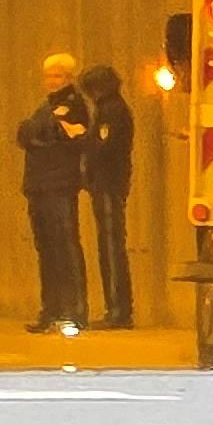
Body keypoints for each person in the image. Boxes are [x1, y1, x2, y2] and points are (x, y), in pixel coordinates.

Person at [18, 52, 95, 333]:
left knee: (66, 247)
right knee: (47, 250)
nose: (52, 81)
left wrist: (43, 132)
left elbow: (61, 136)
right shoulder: (47, 107)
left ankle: (74, 310)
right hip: (39, 185)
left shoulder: (74, 105)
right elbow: (25, 134)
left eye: (58, 76)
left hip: (60, 185)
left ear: (69, 78)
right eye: (49, 76)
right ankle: (51, 309)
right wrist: (44, 131)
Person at [76, 59, 136, 329]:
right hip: (107, 182)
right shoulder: (109, 109)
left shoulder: (112, 111)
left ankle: (118, 310)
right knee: (109, 245)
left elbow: (104, 145)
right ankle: (116, 308)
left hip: (109, 183)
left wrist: (84, 144)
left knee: (111, 246)